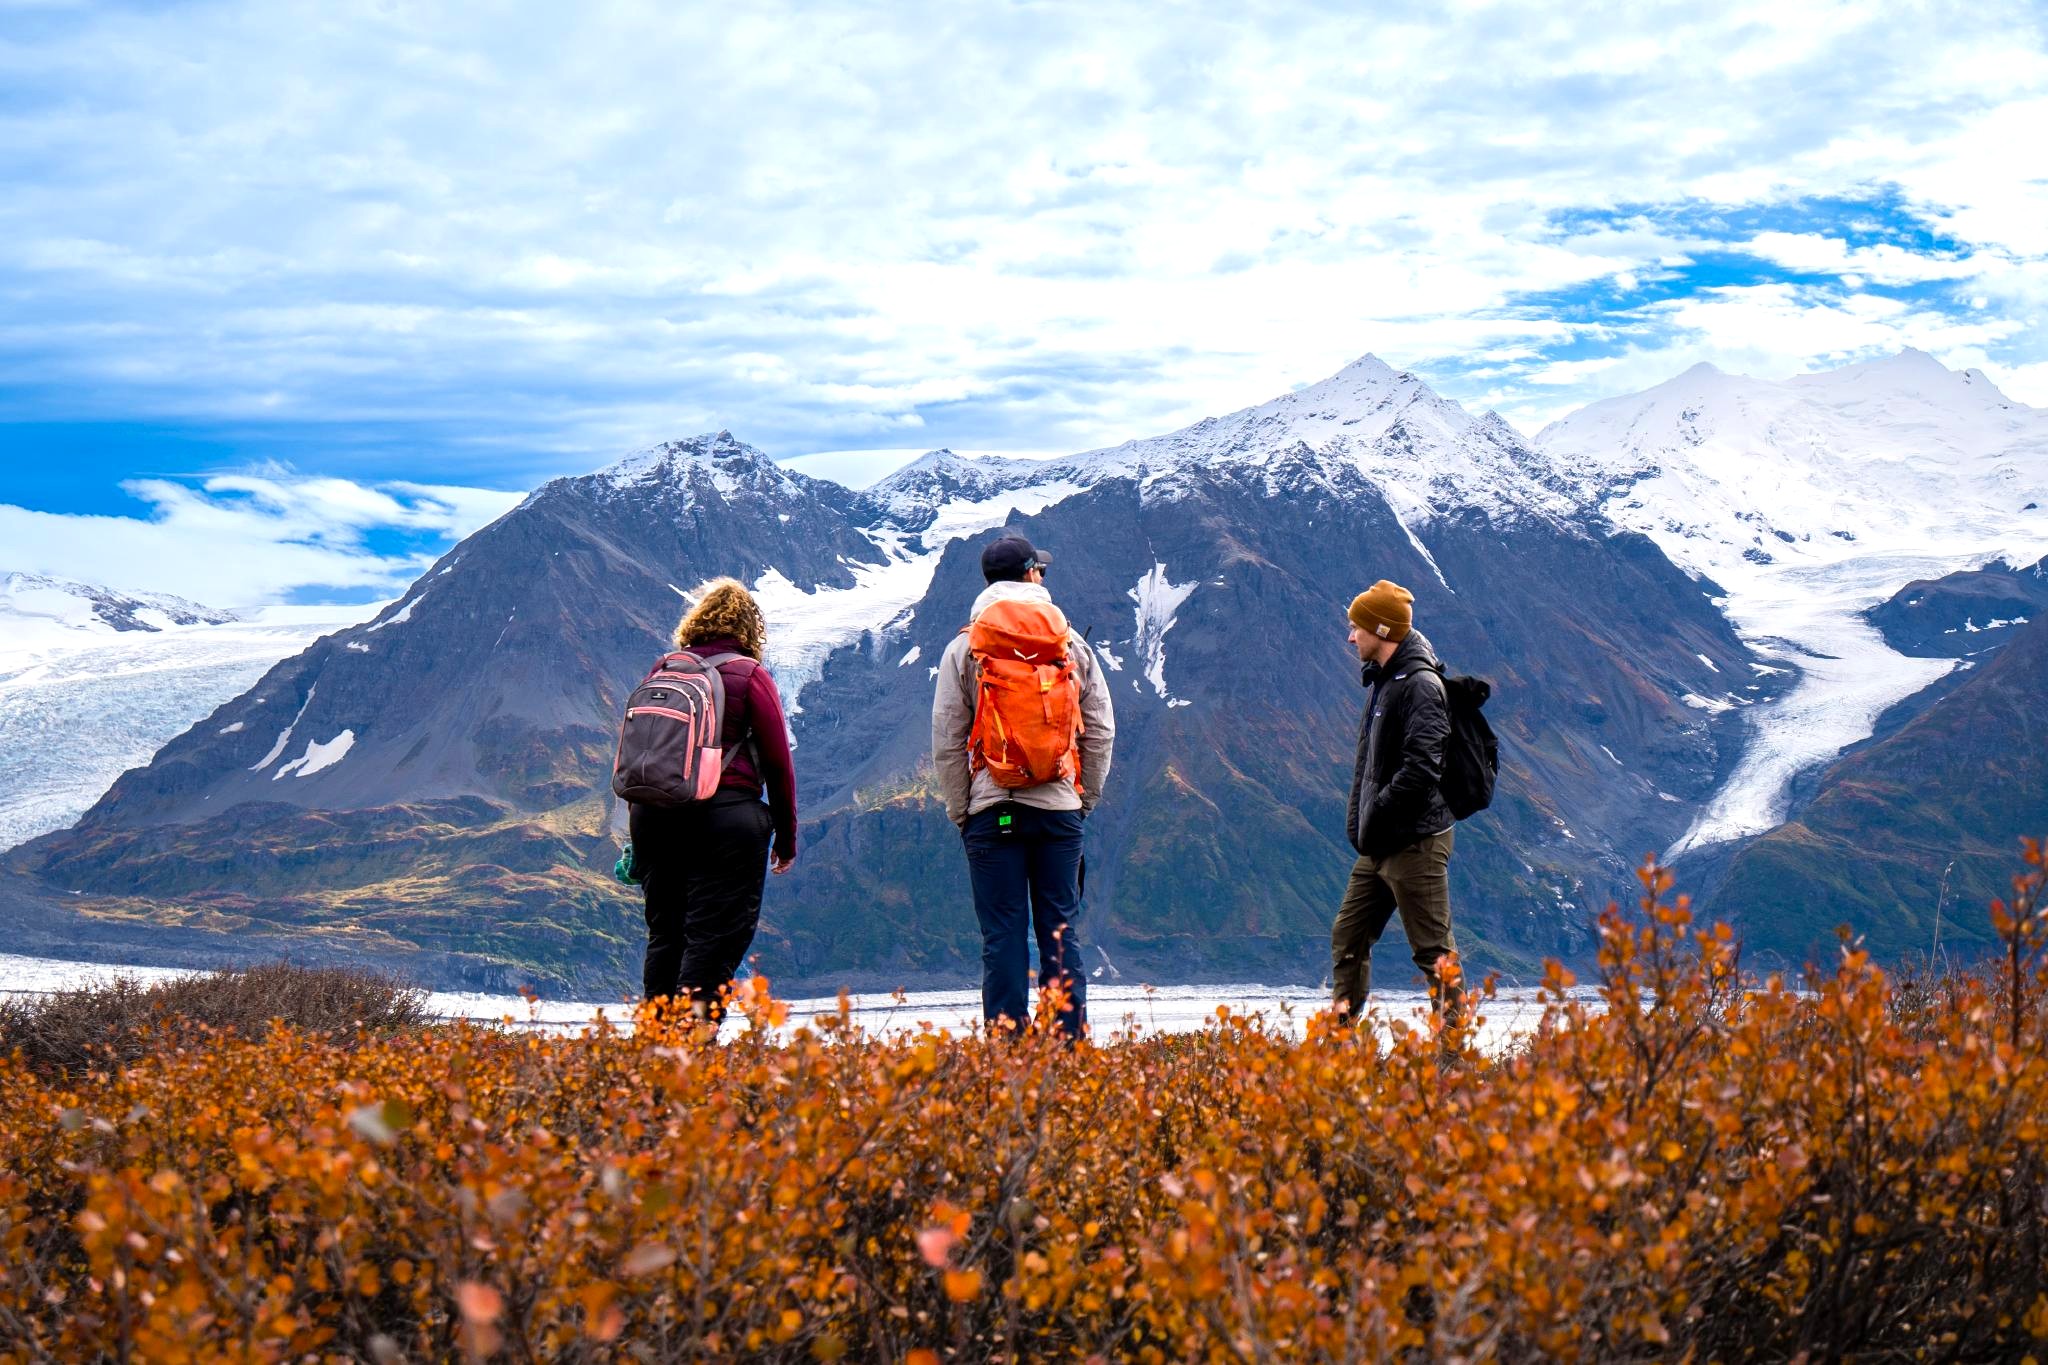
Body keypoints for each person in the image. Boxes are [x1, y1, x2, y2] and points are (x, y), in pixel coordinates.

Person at [932, 533, 1115, 1039]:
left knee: (1003, 937)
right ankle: (1068, 1047)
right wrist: (1083, 800)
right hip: (1059, 811)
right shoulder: (1070, 643)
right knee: (1059, 933)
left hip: (995, 813)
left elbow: (947, 738)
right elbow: (1099, 728)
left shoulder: (965, 647)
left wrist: (963, 812)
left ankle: (1008, 1050)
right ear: (1033, 574)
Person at [627, 577, 796, 1022]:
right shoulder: (748, 674)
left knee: (665, 934)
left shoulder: (663, 669)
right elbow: (779, 763)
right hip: (724, 820)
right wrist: (786, 837)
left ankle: (654, 1052)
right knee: (714, 937)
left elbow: (641, 754)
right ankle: (691, 1053)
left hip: (654, 818)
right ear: (749, 629)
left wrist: (636, 831)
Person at [1329, 579, 1463, 1033]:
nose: (1350, 637)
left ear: (1381, 630)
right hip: (1381, 842)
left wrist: (1378, 812)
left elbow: (1422, 767)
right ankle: (1338, 1048)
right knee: (1348, 937)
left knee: (1433, 952)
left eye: (1356, 627)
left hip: (1415, 841)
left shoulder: (1421, 686)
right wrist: (1363, 824)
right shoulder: (1386, 681)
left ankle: (1453, 1056)